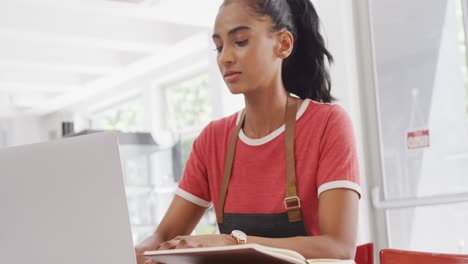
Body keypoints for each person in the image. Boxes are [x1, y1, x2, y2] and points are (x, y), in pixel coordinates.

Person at [135, 0, 361, 263]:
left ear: (283, 44)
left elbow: (339, 247)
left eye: (240, 41)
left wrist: (230, 242)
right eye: (219, 47)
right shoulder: (212, 139)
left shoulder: (327, 124)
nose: (225, 57)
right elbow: (163, 236)